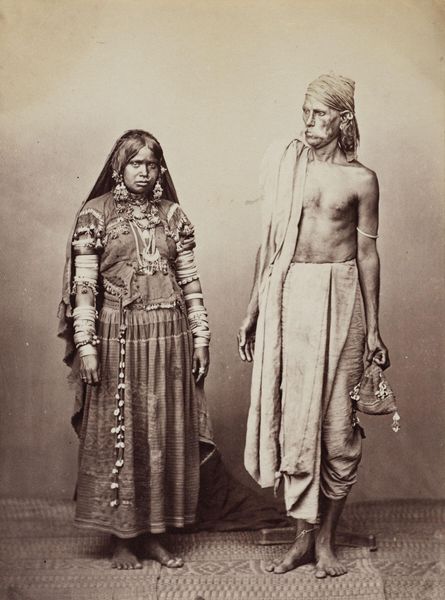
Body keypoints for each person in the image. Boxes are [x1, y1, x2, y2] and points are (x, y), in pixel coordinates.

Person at [238, 74, 390, 577]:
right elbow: (270, 243)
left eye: (319, 114)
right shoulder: (290, 166)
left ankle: (326, 541)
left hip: (341, 298)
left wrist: (373, 328)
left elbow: (367, 253)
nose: (308, 122)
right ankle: (302, 538)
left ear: (343, 119)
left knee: (338, 429)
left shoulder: (362, 179)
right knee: (293, 420)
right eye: (305, 112)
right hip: (289, 298)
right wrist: (253, 308)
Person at [58, 130, 213, 569]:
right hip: (118, 337)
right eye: (136, 164)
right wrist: (86, 345)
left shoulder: (173, 216)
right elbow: (84, 285)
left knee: (162, 434)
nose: (144, 172)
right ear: (119, 168)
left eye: (151, 164)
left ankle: (155, 535)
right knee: (120, 434)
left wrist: (201, 337)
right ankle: (123, 538)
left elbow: (190, 281)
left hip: (170, 336)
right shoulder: (95, 215)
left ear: (160, 169)